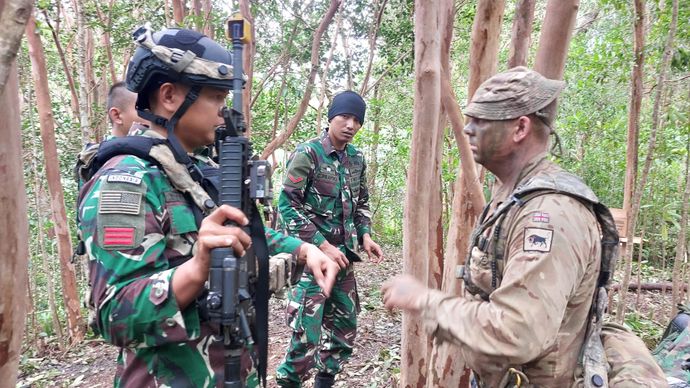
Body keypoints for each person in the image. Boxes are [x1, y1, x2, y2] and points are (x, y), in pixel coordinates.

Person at [78, 25, 340, 387]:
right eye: (216, 99)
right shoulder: (125, 179)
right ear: (169, 96)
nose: (224, 113)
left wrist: (305, 249)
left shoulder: (199, 171)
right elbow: (114, 314)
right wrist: (197, 268)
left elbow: (242, 234)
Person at [381, 67, 665, 386]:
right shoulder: (514, 195)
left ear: (520, 128)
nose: (467, 129)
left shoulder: (549, 213)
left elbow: (519, 332)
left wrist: (424, 300)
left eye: (481, 121)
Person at [275, 91, 384, 388]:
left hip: (344, 259)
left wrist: (365, 236)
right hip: (313, 260)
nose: (350, 124)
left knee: (344, 329)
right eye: (344, 117)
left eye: (356, 120)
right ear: (331, 118)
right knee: (305, 336)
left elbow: (361, 202)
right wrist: (322, 245)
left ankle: (325, 380)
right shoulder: (308, 153)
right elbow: (287, 204)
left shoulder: (356, 158)